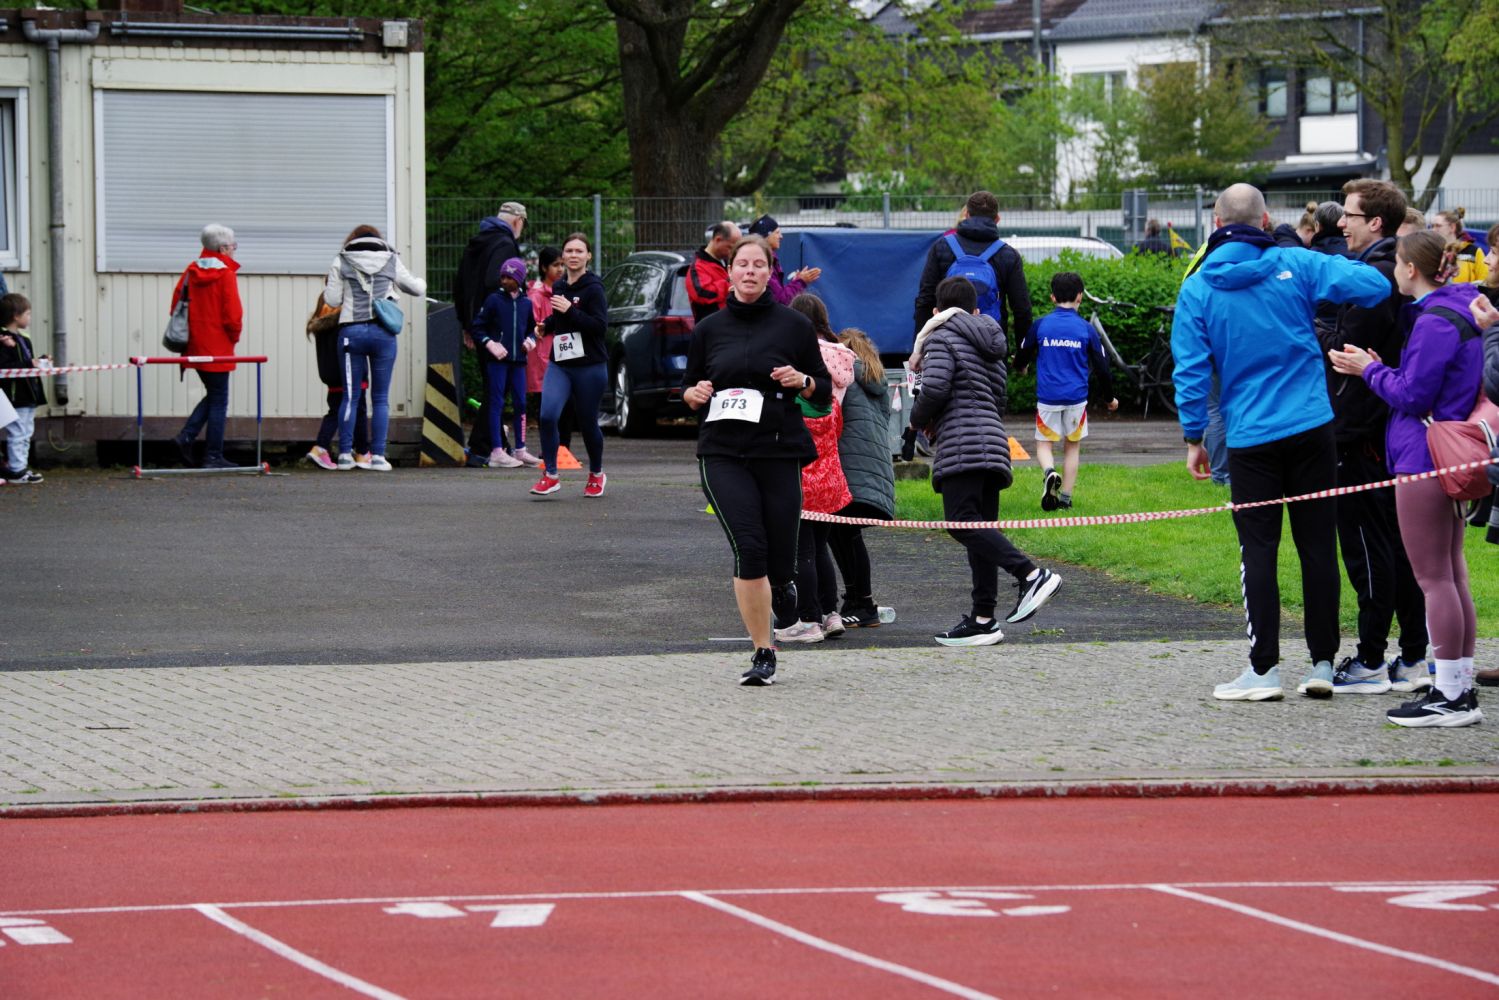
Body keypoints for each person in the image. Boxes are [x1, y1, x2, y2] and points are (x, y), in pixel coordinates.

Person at [1173, 183, 1391, 702]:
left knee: (1258, 549)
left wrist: (1194, 436)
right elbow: (1375, 286)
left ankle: (1263, 669)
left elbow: (1191, 370)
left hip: (1251, 436)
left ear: (1216, 224)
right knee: (1317, 546)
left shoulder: (1198, 288)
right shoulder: (1298, 263)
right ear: (1266, 220)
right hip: (1312, 425)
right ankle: (1322, 663)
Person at [1328, 230, 1484, 727]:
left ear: (1411, 269)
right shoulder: (1463, 308)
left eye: (1396, 262)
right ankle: (1458, 686)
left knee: (1435, 579)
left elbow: (1414, 395)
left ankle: (1451, 694)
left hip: (1424, 455)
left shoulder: (1434, 321)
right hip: (1448, 451)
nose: (1392, 271)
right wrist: (1385, 370)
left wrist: (1369, 370)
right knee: (1451, 574)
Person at [682, 234, 832, 685]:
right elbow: (689, 388)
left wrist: (802, 380)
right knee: (749, 547)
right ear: (729, 272)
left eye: (758, 265)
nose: (749, 271)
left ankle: (782, 585)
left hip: (778, 448)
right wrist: (693, 393)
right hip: (723, 451)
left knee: (781, 558)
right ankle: (763, 651)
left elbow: (822, 392)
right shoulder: (708, 329)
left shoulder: (794, 326)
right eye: (742, 264)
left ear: (770, 272)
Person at [908, 275, 1061, 647]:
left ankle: (1031, 575)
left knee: (961, 523)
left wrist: (915, 419)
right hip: (993, 442)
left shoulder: (940, 338)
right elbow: (1000, 397)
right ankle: (983, 619)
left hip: (961, 443)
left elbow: (936, 388)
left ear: (937, 311)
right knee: (981, 531)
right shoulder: (991, 341)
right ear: (975, 310)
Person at [1324, 178, 1430, 694]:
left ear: (1375, 222)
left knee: (1367, 546)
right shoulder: (1380, 269)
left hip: (1362, 429)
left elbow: (1345, 348)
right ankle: (1412, 655)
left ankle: (1371, 658)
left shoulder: (1376, 278)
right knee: (1395, 545)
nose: (1340, 223)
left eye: (1348, 214)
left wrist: (1306, 327)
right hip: (1376, 426)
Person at [776, 293, 855, 644]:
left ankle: (809, 619)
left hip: (803, 483)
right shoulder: (830, 401)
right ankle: (830, 613)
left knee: (802, 554)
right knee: (821, 551)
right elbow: (838, 431)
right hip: (831, 484)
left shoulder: (794, 403)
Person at [322, 224, 427, 471]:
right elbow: (416, 289)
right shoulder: (391, 259)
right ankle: (378, 456)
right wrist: (418, 281)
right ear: (378, 240)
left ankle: (345, 456)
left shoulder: (342, 260)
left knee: (350, 396)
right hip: (383, 333)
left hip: (351, 332)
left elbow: (332, 300)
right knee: (380, 398)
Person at [1015, 271, 1117, 511]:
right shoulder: (1086, 329)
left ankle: (1050, 472)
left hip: (1048, 398)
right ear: (1080, 296)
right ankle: (1066, 498)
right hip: (1076, 399)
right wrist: (1109, 398)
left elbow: (1022, 353)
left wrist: (1021, 367)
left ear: (1052, 297)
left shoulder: (1041, 325)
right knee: (1072, 445)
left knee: (1044, 444)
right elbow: (1102, 367)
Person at [531, 233, 609, 498]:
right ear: (563, 257)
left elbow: (599, 327)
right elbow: (560, 318)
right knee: (547, 416)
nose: (574, 255)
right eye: (569, 251)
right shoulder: (560, 286)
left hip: (589, 366)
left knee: (587, 423)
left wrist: (570, 310)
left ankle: (596, 474)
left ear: (588, 256)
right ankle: (551, 475)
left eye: (579, 251)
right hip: (561, 364)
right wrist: (546, 325)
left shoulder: (594, 288)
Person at [829, 326, 896, 628]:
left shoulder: (844, 378)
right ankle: (856, 600)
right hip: (875, 471)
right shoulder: (876, 380)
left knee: (844, 535)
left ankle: (864, 603)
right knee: (844, 534)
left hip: (850, 468)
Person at [912, 190, 1032, 354]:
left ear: (967, 215)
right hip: (990, 348)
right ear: (997, 219)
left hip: (947, 346)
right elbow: (1022, 310)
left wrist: (919, 350)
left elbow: (925, 300)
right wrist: (1022, 357)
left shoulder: (942, 247)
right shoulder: (1008, 255)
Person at [453, 202, 526, 466]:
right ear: (517, 221)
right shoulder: (505, 244)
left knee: (492, 387)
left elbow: (460, 284)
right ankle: (484, 449)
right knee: (498, 389)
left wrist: (467, 323)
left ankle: (485, 446)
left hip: (477, 324)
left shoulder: (477, 243)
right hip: (498, 329)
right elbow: (496, 282)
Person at [170, 224, 243, 470]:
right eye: (233, 246)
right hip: (219, 347)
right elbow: (233, 316)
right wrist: (233, 338)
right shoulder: (226, 274)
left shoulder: (191, 271)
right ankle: (212, 455)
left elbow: (175, 306)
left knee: (214, 395)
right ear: (223, 249)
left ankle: (186, 438)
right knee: (219, 399)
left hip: (194, 346)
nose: (234, 250)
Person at [473, 257, 538, 468]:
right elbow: (477, 327)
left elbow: (532, 329)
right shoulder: (493, 300)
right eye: (502, 277)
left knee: (520, 403)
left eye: (509, 277)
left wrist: (531, 341)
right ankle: (497, 451)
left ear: (519, 279)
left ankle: (520, 449)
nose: (504, 281)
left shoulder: (526, 303)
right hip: (498, 361)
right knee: (496, 402)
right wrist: (490, 343)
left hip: (518, 361)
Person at [305, 291, 369, 470]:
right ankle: (362, 452)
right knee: (359, 410)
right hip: (348, 374)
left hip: (330, 375)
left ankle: (321, 448)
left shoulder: (320, 324)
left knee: (335, 410)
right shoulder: (344, 325)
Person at [526, 246, 570, 450]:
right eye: (555, 265)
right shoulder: (536, 296)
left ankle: (563, 449)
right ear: (544, 268)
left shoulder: (565, 290)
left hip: (565, 352)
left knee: (566, 405)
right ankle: (550, 449)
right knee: (548, 407)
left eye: (562, 264)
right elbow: (533, 326)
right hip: (543, 357)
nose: (560, 269)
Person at [0, 293, 44, 484]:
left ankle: (21, 467)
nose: (30, 318)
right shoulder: (3, 340)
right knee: (17, 433)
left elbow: (27, 363)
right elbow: (5, 367)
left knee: (26, 433)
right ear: (16, 316)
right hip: (14, 396)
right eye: (28, 314)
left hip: (29, 394)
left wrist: (40, 360)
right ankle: (17, 470)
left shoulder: (24, 339)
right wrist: (9, 350)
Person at [746, 215, 821, 305]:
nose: (781, 236)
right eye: (777, 232)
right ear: (766, 236)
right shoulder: (762, 262)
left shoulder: (768, 258)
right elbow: (782, 301)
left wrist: (796, 281)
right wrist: (800, 281)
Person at [688, 221, 740, 321]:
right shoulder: (698, 267)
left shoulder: (726, 261)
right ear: (718, 240)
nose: (732, 252)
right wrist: (730, 284)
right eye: (730, 247)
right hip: (712, 325)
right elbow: (702, 294)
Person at [1432, 208, 1488, 284]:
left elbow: (1484, 282)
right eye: (1432, 226)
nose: (1433, 230)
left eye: (1438, 226)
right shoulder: (1431, 251)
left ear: (1452, 227)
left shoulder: (1474, 252)